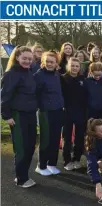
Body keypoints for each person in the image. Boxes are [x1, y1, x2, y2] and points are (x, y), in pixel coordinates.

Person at [1, 46, 37, 187]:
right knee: (21, 148)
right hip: (17, 116)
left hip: (30, 115)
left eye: (30, 58)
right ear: (17, 57)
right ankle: (21, 179)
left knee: (30, 146)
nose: (27, 61)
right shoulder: (11, 74)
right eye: (24, 58)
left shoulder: (30, 72)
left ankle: (23, 174)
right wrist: (7, 116)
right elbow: (4, 97)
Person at [34, 51, 64, 176]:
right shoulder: (38, 75)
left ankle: (51, 164)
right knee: (46, 139)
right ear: (43, 62)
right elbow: (35, 94)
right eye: (47, 61)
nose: (49, 64)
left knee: (55, 138)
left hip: (57, 110)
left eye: (52, 62)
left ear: (56, 63)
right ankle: (41, 165)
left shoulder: (57, 75)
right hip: (45, 111)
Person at [61, 57, 87, 170]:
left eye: (77, 66)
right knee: (67, 138)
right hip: (67, 111)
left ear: (79, 67)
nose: (75, 68)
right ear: (68, 66)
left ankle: (76, 159)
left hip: (80, 111)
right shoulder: (62, 78)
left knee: (79, 137)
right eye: (72, 65)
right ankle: (67, 161)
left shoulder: (83, 79)